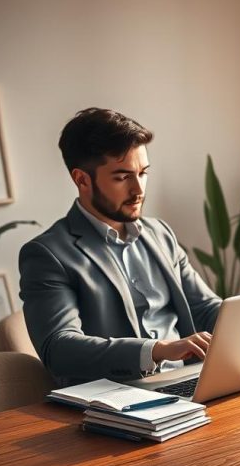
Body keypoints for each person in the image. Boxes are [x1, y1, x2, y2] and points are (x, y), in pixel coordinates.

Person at [19, 108, 221, 385]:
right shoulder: (48, 254)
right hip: (118, 401)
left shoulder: (160, 233)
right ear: (82, 179)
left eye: (143, 173)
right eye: (122, 177)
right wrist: (157, 351)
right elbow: (59, 348)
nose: (139, 190)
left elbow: (204, 308)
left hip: (191, 380)